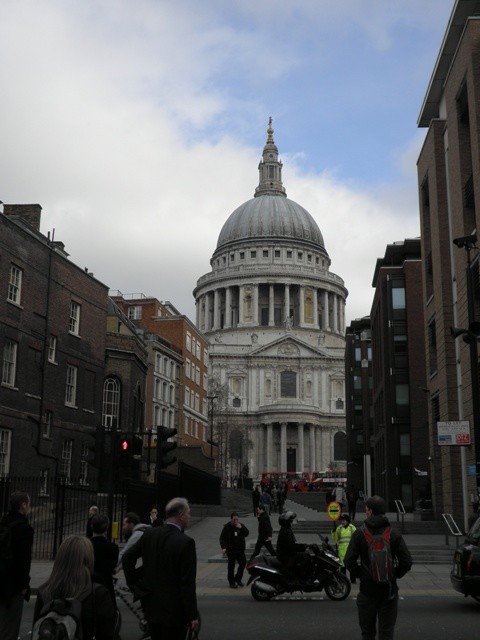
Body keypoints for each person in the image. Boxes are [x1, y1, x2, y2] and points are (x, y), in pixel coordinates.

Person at [123, 497, 199, 640]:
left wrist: (134, 584)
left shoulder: (150, 534)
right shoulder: (186, 542)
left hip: (150, 605)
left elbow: (127, 557)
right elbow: (187, 583)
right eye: (188, 513)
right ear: (181, 515)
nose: (189, 517)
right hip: (175, 611)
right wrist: (192, 615)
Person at [345, 495, 412, 640]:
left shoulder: (359, 534)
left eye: (366, 509)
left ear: (370, 511)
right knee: (386, 633)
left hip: (367, 591)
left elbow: (348, 561)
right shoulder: (393, 534)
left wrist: (361, 574)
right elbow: (406, 562)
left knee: (367, 633)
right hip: (389, 591)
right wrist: (394, 574)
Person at [33, 535, 115, 640]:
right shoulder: (98, 593)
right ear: (89, 559)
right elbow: (107, 634)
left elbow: (36, 631)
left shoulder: (44, 591)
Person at [0, 491, 34, 640]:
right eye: (28, 503)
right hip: (13, 585)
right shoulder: (24, 529)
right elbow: (24, 561)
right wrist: (24, 585)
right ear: (23, 505)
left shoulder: (3, 523)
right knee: (10, 627)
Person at [90, 514, 119, 605]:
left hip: (87, 586)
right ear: (107, 528)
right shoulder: (113, 547)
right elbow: (112, 567)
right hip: (105, 585)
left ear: (91, 526)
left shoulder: (85, 545)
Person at [276, 511, 312, 581]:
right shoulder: (285, 532)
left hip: (286, 554)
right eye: (290, 521)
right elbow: (291, 547)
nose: (291, 522)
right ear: (286, 522)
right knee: (306, 556)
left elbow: (292, 545)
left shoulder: (286, 530)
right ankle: (301, 577)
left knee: (305, 555)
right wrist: (303, 547)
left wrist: (304, 546)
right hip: (286, 556)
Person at [219, 512, 249, 588]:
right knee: (231, 566)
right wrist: (223, 548)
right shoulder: (227, 527)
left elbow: (247, 533)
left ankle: (238, 579)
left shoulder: (240, 525)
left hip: (240, 550)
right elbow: (222, 538)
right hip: (231, 550)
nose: (236, 521)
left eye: (237, 519)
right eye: (234, 519)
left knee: (243, 563)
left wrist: (241, 528)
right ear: (231, 519)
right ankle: (231, 582)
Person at [332, 513, 357, 583]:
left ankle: (353, 580)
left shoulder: (352, 528)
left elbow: (356, 538)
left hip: (350, 551)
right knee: (342, 567)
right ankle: (343, 581)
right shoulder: (339, 528)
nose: (342, 522)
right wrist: (334, 532)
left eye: (344, 520)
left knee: (351, 566)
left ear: (347, 521)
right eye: (341, 520)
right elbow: (335, 539)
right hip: (342, 551)